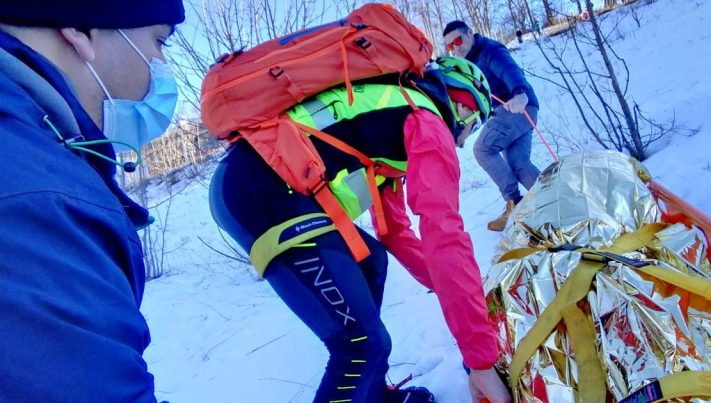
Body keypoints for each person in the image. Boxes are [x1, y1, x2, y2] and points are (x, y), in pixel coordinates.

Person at [210, 57, 512, 403]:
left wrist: (462, 293)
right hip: (261, 190)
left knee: (370, 261)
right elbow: (444, 237)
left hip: (249, 182)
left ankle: (373, 397)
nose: (463, 141)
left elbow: (395, 232)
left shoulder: (394, 115)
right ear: (463, 106)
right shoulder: (427, 122)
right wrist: (482, 360)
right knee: (361, 344)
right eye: (472, 126)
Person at [0, 1, 184, 401]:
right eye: (159, 41)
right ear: (79, 30)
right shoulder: (37, 193)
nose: (161, 65)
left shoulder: (31, 141)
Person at [443, 20, 541, 232]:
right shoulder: (466, 65)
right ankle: (552, 202)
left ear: (470, 33)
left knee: (483, 149)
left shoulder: (490, 50)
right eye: (449, 46)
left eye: (458, 40)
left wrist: (519, 93)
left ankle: (514, 203)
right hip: (514, 111)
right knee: (519, 163)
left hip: (517, 106)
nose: (455, 48)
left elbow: (510, 71)